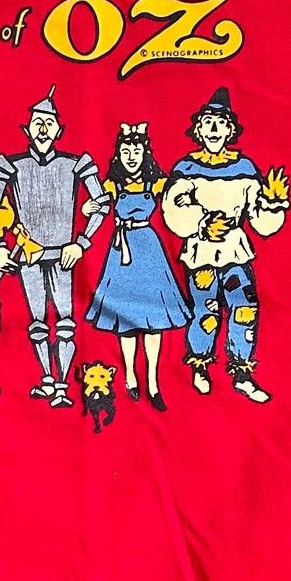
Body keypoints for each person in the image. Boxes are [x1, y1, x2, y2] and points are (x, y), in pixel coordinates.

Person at [160, 86, 291, 402]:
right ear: (198, 130)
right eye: (208, 123)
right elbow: (173, 206)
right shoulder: (186, 169)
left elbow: (259, 219)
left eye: (221, 123)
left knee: (244, 307)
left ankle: (242, 371)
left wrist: (272, 203)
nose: (214, 129)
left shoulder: (245, 169)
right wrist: (202, 223)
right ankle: (200, 365)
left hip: (234, 251)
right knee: (205, 308)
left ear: (231, 130)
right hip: (202, 252)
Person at [0, 87, 106, 407]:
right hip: (27, 256)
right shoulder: (9, 166)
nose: (43, 128)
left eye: (49, 122)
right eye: (37, 122)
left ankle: (63, 385)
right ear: (27, 128)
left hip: (64, 255)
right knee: (37, 320)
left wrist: (80, 243)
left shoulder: (75, 164)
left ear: (59, 130)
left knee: (65, 319)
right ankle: (47, 380)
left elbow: (102, 203)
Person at [83, 121, 190, 410]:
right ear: (118, 154)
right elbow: (97, 204)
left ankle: (153, 382)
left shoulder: (155, 182)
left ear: (145, 153)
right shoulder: (112, 184)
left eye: (136, 150)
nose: (131, 156)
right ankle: (130, 374)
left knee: (155, 321)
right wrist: (88, 208)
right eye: (126, 151)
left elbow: (177, 194)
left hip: (149, 250)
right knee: (125, 320)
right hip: (121, 253)